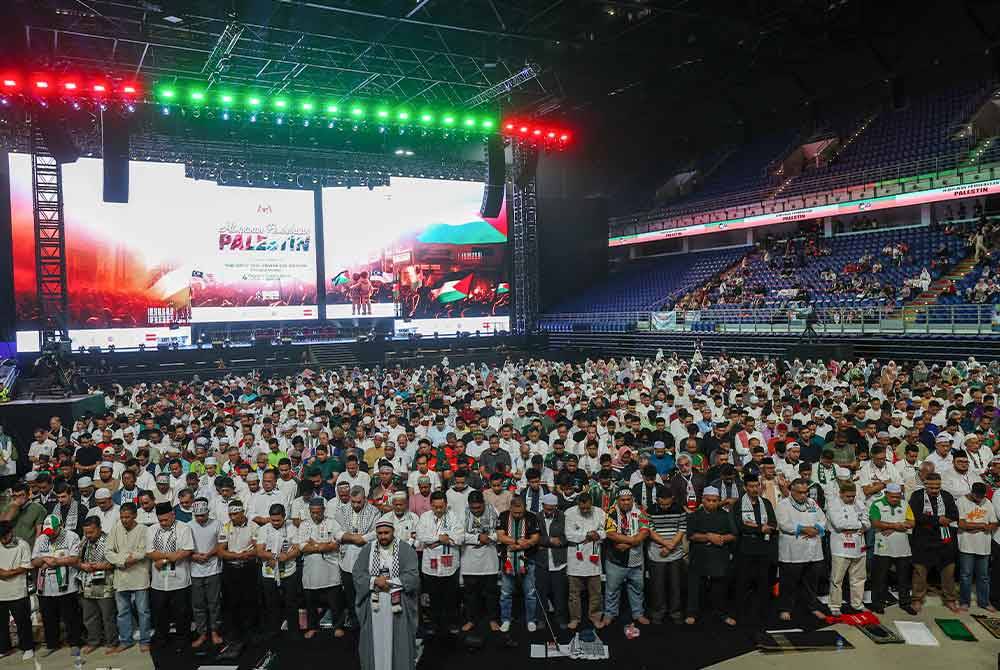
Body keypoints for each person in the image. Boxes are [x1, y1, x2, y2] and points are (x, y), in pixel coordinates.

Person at [353, 518, 420, 670]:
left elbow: (412, 576)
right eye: (380, 533)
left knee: (399, 643)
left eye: (386, 533)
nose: (383, 536)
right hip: (374, 606)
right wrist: (375, 581)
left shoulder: (405, 549)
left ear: (393, 532)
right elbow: (357, 574)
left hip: (398, 604)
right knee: (375, 644)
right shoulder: (367, 550)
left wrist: (387, 583)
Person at [776, 478, 828, 622]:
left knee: (811, 582)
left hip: (813, 550)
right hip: (793, 552)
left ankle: (812, 607)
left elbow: (823, 519)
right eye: (800, 492)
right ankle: (786, 608)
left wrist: (816, 529)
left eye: (805, 492)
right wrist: (805, 529)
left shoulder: (811, 503)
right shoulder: (783, 505)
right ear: (791, 491)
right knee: (789, 583)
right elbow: (784, 524)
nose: (803, 495)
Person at [908, 472, 960, 613]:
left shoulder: (946, 496)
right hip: (923, 539)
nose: (935, 491)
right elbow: (916, 515)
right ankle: (917, 599)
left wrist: (945, 520)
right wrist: (938, 520)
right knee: (920, 571)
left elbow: (954, 514)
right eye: (931, 488)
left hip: (944, 538)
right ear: (925, 485)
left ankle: (950, 599)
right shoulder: (917, 496)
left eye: (937, 488)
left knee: (948, 571)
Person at [685, 486, 737, 626]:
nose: (712, 503)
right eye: (709, 500)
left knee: (720, 587)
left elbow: (733, 535)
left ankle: (722, 613)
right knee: (695, 585)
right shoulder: (694, 515)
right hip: (699, 555)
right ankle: (692, 613)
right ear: (703, 500)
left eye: (715, 501)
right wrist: (708, 537)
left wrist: (720, 539)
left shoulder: (726, 515)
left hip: (719, 555)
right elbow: (691, 535)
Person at [146, 501, 195, 649]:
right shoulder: (152, 530)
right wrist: (170, 556)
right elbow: (150, 552)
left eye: (166, 519)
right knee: (160, 613)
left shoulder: (184, 528)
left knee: (181, 613)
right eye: (160, 520)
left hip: (179, 579)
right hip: (159, 581)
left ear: (173, 515)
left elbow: (186, 551)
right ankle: (161, 640)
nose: (162, 523)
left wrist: (164, 559)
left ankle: (183, 640)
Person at [32, 514, 83, 655]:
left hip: (67, 585)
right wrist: (43, 558)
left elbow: (75, 558)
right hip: (46, 586)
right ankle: (52, 644)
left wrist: (56, 562)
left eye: (52, 532)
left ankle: (75, 643)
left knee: (71, 616)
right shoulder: (42, 538)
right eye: (47, 532)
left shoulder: (71, 536)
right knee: (48, 617)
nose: (50, 535)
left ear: (60, 526)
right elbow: (34, 561)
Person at [602, 488, 650, 635]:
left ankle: (638, 613)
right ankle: (610, 614)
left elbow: (645, 530)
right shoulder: (611, 512)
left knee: (637, 589)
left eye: (628, 499)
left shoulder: (640, 511)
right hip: (616, 560)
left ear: (633, 500)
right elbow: (610, 533)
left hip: (636, 559)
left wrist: (630, 543)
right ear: (618, 500)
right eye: (623, 500)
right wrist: (632, 540)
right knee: (611, 590)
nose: (626, 502)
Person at [106, 501, 153, 653]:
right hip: (121, 577)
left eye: (127, 517)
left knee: (143, 611)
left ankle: (145, 640)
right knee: (122, 611)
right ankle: (126, 640)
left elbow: (144, 551)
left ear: (135, 516)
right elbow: (108, 551)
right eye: (122, 517)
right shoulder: (116, 529)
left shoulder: (143, 530)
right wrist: (123, 560)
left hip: (139, 575)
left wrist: (127, 559)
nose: (124, 520)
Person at [416, 490, 464, 636]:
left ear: (446, 505)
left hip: (449, 563)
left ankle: (451, 623)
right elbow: (421, 536)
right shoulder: (425, 517)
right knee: (434, 597)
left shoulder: (453, 516)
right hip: (431, 564)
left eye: (441, 507)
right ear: (431, 505)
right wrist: (440, 537)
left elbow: (460, 538)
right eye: (435, 507)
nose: (438, 510)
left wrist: (435, 540)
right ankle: (434, 625)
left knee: (451, 597)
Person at [731, 473, 777, 621]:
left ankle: (761, 613)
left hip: (763, 548)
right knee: (743, 582)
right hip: (745, 549)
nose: (754, 489)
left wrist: (756, 527)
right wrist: (759, 528)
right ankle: (741, 613)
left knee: (763, 583)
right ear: (745, 488)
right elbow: (740, 527)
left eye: (756, 486)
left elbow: (773, 524)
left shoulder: (766, 503)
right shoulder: (738, 504)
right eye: (751, 486)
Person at [334, 486, 380, 632]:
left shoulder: (374, 512)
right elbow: (337, 532)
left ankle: (369, 623)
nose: (355, 505)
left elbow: (376, 533)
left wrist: (362, 539)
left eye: (358, 502)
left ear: (365, 499)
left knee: (366, 594)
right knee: (350, 594)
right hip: (346, 561)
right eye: (353, 502)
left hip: (366, 560)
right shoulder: (342, 510)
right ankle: (354, 623)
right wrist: (354, 538)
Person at [299, 497, 345, 639]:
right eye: (312, 512)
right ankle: (313, 627)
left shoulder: (332, 523)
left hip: (330, 568)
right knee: (310, 601)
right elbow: (302, 546)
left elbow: (336, 544)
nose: (315, 515)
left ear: (323, 511)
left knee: (335, 600)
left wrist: (315, 545)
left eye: (318, 512)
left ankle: (338, 626)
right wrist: (324, 546)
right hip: (311, 569)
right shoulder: (304, 525)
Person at [255, 503, 301, 640]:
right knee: (271, 603)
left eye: (278, 520)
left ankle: (294, 630)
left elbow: (297, 548)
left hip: (288, 571)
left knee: (291, 602)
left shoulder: (292, 528)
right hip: (269, 572)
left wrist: (287, 556)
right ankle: (274, 629)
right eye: (272, 520)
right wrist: (273, 557)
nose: (275, 523)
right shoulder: (264, 529)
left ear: (284, 517)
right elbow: (259, 551)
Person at [216, 500, 259, 642]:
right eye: (230, 514)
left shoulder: (253, 526)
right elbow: (221, 551)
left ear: (242, 512)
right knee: (232, 602)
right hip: (231, 569)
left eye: (235, 514)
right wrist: (238, 555)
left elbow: (257, 548)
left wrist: (241, 555)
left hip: (248, 568)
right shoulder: (226, 527)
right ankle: (235, 632)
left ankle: (251, 631)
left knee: (250, 600)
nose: (232, 517)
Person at [869, 482, 915, 614]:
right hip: (883, 547)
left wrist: (889, 527)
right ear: (886, 494)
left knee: (903, 578)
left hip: (903, 547)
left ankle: (905, 603)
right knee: (880, 577)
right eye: (893, 497)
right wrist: (896, 526)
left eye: (898, 496)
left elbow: (912, 522)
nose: (895, 499)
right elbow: (875, 523)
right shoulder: (877, 504)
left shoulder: (905, 504)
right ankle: (877, 603)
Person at [496, 495, 540, 632]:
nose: (518, 515)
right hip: (508, 560)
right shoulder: (503, 516)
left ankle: (531, 620)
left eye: (521, 512)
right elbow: (500, 536)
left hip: (527, 560)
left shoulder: (532, 517)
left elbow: (535, 538)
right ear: (510, 508)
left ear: (525, 509)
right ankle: (505, 620)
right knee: (505, 593)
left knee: (530, 593)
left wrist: (522, 546)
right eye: (515, 512)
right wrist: (517, 542)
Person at [826, 480, 870, 616]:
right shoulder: (833, 504)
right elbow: (839, 524)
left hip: (859, 545)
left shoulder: (859, 503)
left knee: (859, 577)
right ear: (840, 494)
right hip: (841, 547)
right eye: (848, 496)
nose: (851, 499)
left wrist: (861, 525)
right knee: (837, 578)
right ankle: (834, 605)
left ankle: (857, 603)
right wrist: (859, 525)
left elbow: (868, 521)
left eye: (853, 496)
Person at [563, 493, 606, 629]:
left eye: (588, 508)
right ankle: (575, 618)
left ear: (591, 503)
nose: (586, 510)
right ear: (578, 505)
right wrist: (587, 535)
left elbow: (607, 531)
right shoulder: (569, 513)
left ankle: (595, 617)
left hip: (593, 559)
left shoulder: (600, 512)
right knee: (574, 593)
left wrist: (598, 534)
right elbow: (568, 535)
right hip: (575, 559)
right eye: (583, 508)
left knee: (596, 593)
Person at [460, 490, 500, 633]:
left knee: (491, 592)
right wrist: (477, 538)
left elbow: (500, 532)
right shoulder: (462, 513)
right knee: (470, 593)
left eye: (479, 507)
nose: (476, 510)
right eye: (473, 508)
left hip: (489, 556)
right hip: (469, 559)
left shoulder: (493, 510)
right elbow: (459, 535)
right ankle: (471, 620)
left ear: (483, 503)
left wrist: (488, 538)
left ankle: (493, 619)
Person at [956, 482, 998, 612]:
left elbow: (994, 523)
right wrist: (982, 526)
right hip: (966, 545)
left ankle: (984, 602)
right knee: (965, 575)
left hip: (984, 546)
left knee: (984, 576)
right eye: (978, 496)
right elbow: (962, 524)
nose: (980, 499)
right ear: (972, 492)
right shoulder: (961, 501)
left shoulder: (987, 502)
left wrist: (975, 526)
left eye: (982, 496)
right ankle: (964, 602)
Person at [78, 515, 117, 653]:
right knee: (89, 616)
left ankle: (111, 642)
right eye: (86, 532)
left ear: (99, 529)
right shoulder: (84, 542)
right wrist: (83, 566)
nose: (88, 535)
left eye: (91, 532)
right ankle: (93, 641)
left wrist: (102, 565)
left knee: (108, 616)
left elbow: (116, 561)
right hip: (88, 583)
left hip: (105, 584)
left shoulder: (109, 540)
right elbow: (76, 560)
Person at [189, 498, 223, 648]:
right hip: (195, 570)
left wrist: (209, 555)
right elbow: (184, 546)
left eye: (203, 515)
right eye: (198, 516)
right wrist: (194, 556)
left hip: (213, 569)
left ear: (208, 512)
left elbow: (222, 544)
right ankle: (202, 633)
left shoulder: (216, 524)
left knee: (214, 603)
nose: (200, 518)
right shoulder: (188, 526)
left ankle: (215, 631)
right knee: (198, 605)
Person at [0, 520, 34, 660]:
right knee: (1, 624)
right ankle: (4, 648)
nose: (3, 540)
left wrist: (8, 573)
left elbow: (26, 566)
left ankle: (27, 647)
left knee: (23, 621)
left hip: (18, 591)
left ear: (11, 532)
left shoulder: (22, 544)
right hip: (1, 592)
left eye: (5, 537)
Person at [535, 492, 569, 630]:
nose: (550, 511)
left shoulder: (563, 517)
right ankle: (541, 619)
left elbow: (568, 537)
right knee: (541, 592)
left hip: (559, 562)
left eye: (552, 509)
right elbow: (534, 537)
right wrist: (549, 540)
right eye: (547, 509)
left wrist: (559, 542)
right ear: (542, 506)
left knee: (560, 593)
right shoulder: (536, 518)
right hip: (541, 561)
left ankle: (561, 619)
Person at [0, 482, 47, 547]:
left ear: (28, 494)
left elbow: (39, 532)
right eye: (15, 496)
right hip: (10, 546)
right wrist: (14, 507)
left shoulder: (38, 508)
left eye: (21, 495)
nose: (18, 498)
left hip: (28, 547)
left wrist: (36, 549)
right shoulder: (9, 507)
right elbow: (3, 525)